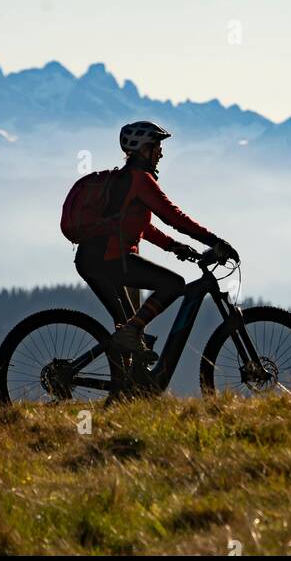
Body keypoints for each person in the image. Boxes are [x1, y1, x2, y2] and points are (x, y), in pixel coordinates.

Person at [73, 121, 237, 393]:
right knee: (172, 284)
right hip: (110, 260)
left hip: (94, 260)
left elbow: (139, 225)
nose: (160, 152)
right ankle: (130, 346)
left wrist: (174, 247)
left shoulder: (126, 180)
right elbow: (174, 217)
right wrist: (215, 241)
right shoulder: (139, 180)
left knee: (129, 334)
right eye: (157, 146)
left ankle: (128, 391)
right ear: (143, 149)